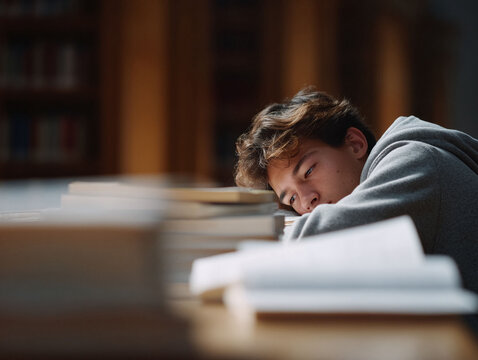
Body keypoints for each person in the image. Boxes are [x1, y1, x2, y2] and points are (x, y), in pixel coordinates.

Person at [235, 86, 478, 293]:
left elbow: (325, 235)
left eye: (308, 171)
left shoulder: (415, 161)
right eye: (291, 198)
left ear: (355, 144)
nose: (307, 201)